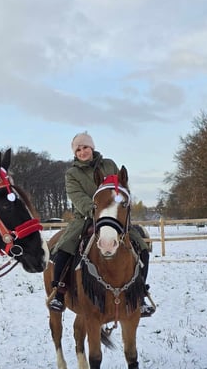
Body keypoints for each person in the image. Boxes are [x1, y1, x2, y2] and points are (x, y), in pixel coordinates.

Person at [49, 131, 155, 317]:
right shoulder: (72, 173)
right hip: (85, 215)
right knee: (64, 248)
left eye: (85, 147)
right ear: (75, 153)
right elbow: (76, 197)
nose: (82, 152)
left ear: (92, 148)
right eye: (78, 149)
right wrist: (96, 210)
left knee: (142, 247)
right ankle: (59, 292)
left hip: (114, 216)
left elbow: (121, 188)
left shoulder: (109, 164)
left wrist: (117, 208)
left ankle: (141, 294)